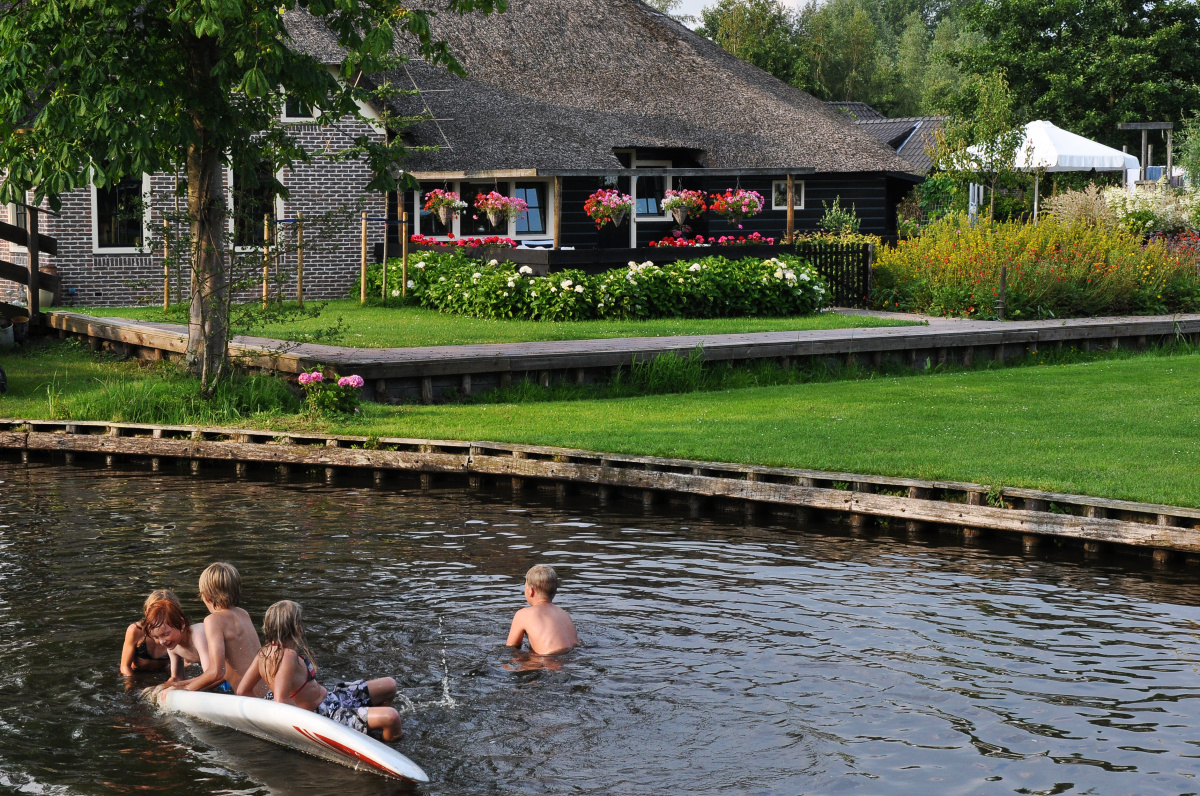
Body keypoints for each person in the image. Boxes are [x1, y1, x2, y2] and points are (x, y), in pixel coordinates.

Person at [237, 600, 404, 742]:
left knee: (389, 685)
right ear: (295, 628)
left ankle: (373, 732)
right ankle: (386, 749)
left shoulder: (263, 653)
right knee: (392, 718)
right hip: (327, 715)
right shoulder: (288, 655)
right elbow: (280, 701)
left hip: (333, 698)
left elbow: (242, 690)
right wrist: (308, 722)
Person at [167, 562, 262, 694]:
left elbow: (217, 672)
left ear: (206, 595)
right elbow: (229, 672)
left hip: (254, 701)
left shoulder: (213, 620)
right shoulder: (243, 613)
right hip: (269, 694)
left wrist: (184, 690)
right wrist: (178, 684)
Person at [505, 565, 580, 655]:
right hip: (571, 658)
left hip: (548, 660)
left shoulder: (522, 615)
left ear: (531, 591)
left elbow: (511, 648)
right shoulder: (564, 614)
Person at [142, 598, 211, 685]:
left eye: (166, 634)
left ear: (181, 624)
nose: (162, 641)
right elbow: (176, 678)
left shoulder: (198, 635)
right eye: (156, 637)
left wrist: (182, 686)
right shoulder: (173, 646)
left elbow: (210, 675)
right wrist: (160, 687)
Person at [120, 589, 178, 676]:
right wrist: (131, 685)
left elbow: (185, 665)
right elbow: (125, 667)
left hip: (162, 675)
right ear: (147, 613)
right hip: (137, 675)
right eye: (156, 615)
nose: (160, 620)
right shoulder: (136, 631)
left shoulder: (178, 632)